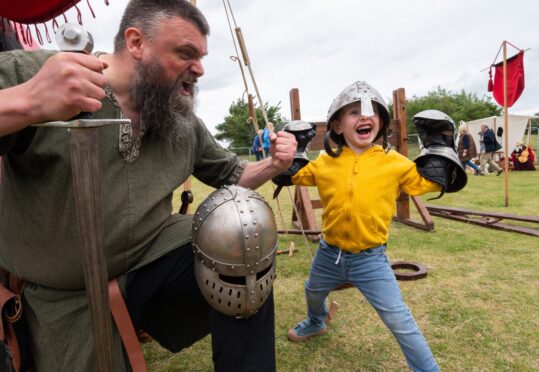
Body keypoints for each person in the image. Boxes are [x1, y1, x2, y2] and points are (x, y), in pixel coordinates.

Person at [0, 1, 297, 371]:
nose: (200, 69)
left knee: (243, 232)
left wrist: (274, 164)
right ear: (136, 42)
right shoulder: (41, 73)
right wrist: (28, 100)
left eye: (202, 57)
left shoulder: (179, 116)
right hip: (62, 292)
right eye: (186, 53)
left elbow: (234, 176)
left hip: (149, 260)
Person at [274, 81, 467, 372]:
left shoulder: (395, 162)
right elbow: (294, 174)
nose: (364, 117)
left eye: (371, 112)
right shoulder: (326, 161)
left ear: (381, 123)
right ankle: (316, 322)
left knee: (398, 319)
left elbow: (429, 181)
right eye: (354, 112)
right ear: (337, 126)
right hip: (329, 253)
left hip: (370, 259)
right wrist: (289, 150)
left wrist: (440, 150)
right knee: (313, 290)